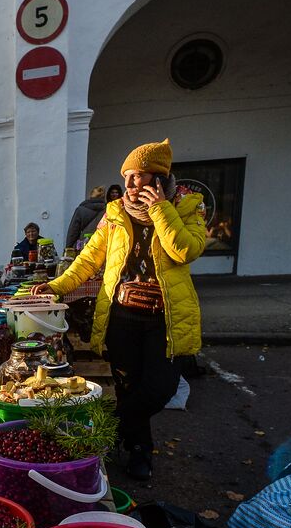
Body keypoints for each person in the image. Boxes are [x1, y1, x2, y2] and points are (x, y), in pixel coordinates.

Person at [32, 138, 206, 481]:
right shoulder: (114, 215)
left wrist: (159, 209)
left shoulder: (188, 208)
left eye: (137, 176)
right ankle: (140, 452)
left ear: (157, 178)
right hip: (122, 317)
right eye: (125, 176)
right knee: (128, 386)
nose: (129, 184)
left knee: (160, 389)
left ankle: (107, 427)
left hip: (165, 320)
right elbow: (88, 260)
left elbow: (184, 251)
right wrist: (56, 286)